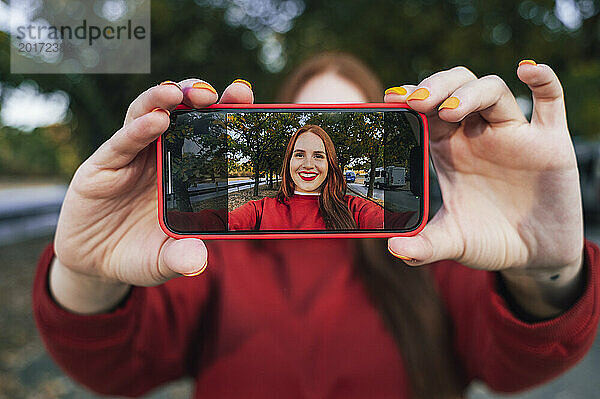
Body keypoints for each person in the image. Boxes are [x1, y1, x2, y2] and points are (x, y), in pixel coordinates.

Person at [33, 52, 599, 399]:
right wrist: (86, 275)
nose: (308, 163)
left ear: (332, 162)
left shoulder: (423, 242)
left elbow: (519, 363)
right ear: (286, 154)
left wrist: (548, 270)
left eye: (331, 140)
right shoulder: (227, 242)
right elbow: (114, 368)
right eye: (298, 145)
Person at [229, 123, 384, 230]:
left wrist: (408, 234)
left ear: (329, 163)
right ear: (289, 161)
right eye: (299, 155)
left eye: (318, 156)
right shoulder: (259, 210)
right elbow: (218, 222)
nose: (308, 164)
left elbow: (394, 222)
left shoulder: (354, 208)